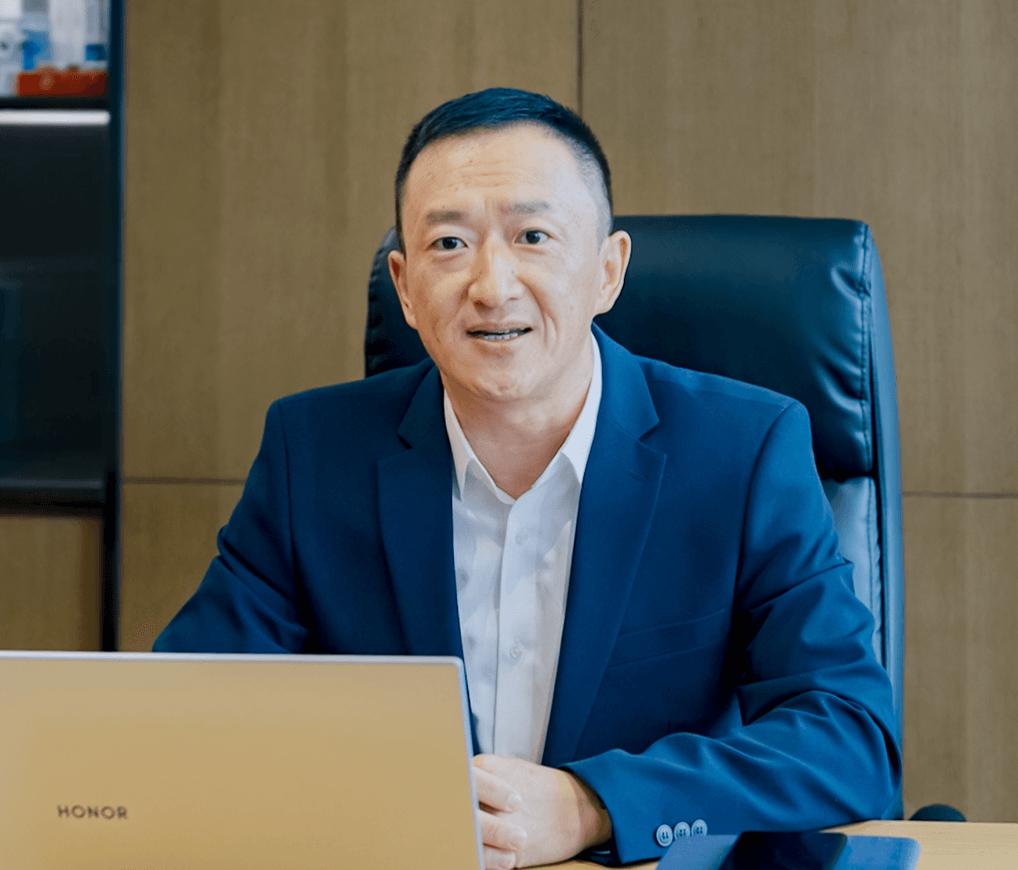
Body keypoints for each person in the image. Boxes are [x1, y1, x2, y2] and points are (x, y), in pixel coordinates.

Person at [154, 88, 901, 868]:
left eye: (533, 236)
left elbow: (849, 735)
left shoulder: (742, 452)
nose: (492, 286)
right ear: (404, 286)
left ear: (608, 271)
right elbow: (186, 719)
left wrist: (593, 805)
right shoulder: (312, 453)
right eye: (449, 243)